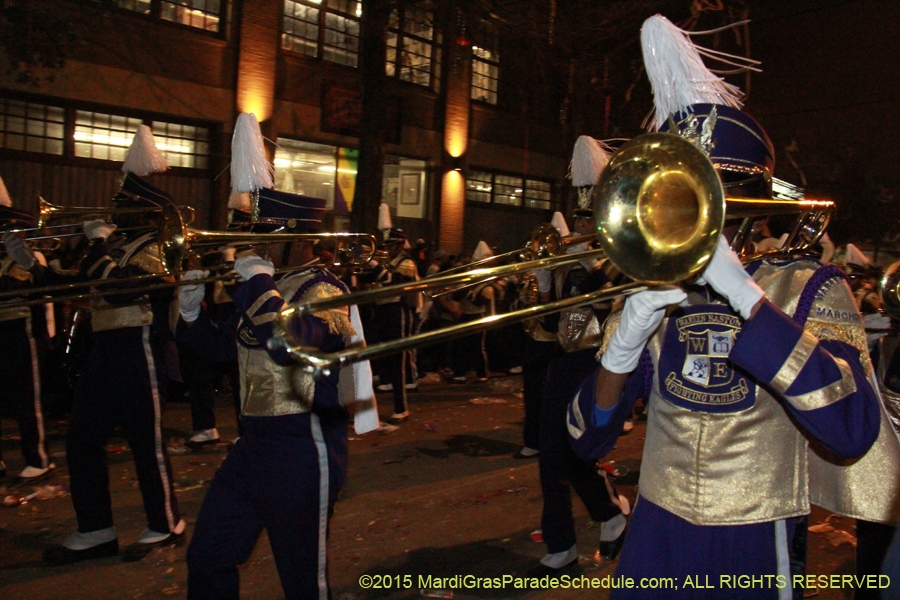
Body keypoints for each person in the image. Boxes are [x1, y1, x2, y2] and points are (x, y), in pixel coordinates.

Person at [566, 15, 881, 598]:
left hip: (757, 538)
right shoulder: (655, 289)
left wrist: (749, 299)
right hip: (657, 533)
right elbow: (584, 440)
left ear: (748, 207)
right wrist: (625, 340)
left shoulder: (811, 286)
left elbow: (852, 431)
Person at [179, 187, 366, 600]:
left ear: (295, 240)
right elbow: (220, 349)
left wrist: (259, 281)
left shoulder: (326, 289)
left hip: (303, 450)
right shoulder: (267, 289)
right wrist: (190, 314)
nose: (255, 246)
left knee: (302, 582)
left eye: (265, 237)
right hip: (252, 447)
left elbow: (288, 347)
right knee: (208, 556)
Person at [43, 173, 185, 564]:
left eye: (123, 207)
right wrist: (37, 267)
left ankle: (166, 524)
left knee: (146, 445)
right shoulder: (120, 247)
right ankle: (96, 529)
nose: (114, 213)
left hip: (141, 351)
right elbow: (81, 282)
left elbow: (117, 286)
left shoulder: (159, 248)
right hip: (105, 351)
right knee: (82, 441)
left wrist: (98, 242)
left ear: (146, 213)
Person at [534, 137, 629, 573]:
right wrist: (543, 284)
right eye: (579, 219)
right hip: (562, 363)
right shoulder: (570, 263)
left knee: (576, 455)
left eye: (588, 220)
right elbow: (552, 329)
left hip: (596, 365)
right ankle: (562, 544)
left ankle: (609, 514)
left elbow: (606, 311)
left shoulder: (619, 261)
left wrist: (588, 267)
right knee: (552, 455)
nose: (581, 228)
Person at [0, 199, 53, 481]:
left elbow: (25, 289)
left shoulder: (32, 259)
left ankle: (39, 458)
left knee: (26, 402)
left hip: (23, 335)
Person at [363, 228, 419, 422]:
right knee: (382, 358)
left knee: (398, 363)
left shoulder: (407, 262)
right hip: (382, 312)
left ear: (400, 245)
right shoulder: (391, 262)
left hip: (397, 312)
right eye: (386, 245)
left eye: (391, 245)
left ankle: (401, 408)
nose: (387, 248)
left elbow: (393, 283)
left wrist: (373, 263)